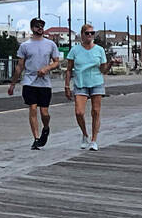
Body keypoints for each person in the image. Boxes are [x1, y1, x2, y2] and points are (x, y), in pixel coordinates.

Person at [8, 18, 61, 149]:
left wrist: (46, 68)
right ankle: (36, 138)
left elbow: (56, 62)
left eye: (42, 26)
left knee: (44, 113)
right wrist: (13, 83)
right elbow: (20, 66)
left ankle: (46, 128)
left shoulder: (50, 45)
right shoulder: (25, 46)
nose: (40, 28)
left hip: (44, 83)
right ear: (32, 28)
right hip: (29, 82)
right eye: (37, 26)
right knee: (32, 108)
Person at [64, 25, 110, 151]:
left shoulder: (99, 50)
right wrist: (67, 86)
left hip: (96, 82)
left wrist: (110, 64)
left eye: (92, 33)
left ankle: (94, 140)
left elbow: (103, 70)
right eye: (87, 33)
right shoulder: (75, 50)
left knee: (96, 111)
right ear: (82, 34)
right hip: (80, 82)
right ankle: (85, 134)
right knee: (79, 112)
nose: (90, 35)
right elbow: (69, 70)